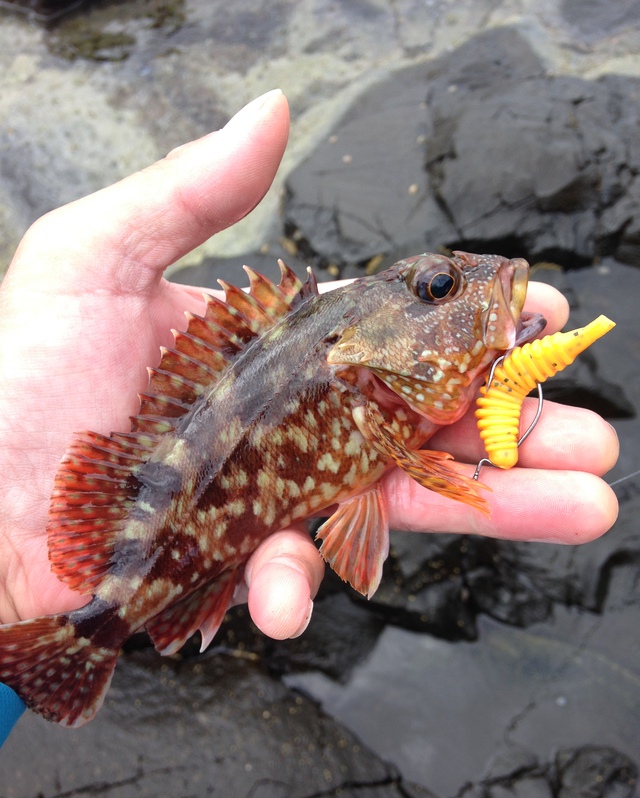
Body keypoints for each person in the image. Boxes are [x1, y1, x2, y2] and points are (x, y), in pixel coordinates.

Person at [0, 90, 619, 744]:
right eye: (439, 288)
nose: (474, 283)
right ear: (362, 353)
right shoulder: (355, 374)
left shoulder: (368, 378)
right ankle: (75, 643)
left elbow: (373, 489)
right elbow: (396, 473)